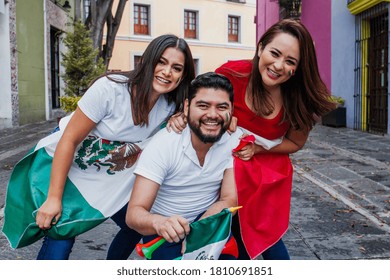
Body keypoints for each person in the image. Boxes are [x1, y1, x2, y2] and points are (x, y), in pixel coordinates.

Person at [167, 19, 336, 260]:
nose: (278, 66)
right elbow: (199, 104)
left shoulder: (298, 98)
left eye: (290, 61)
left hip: (263, 174)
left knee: (262, 240)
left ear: (297, 69)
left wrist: (259, 148)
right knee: (227, 237)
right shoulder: (231, 73)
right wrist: (182, 117)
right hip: (219, 170)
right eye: (274, 53)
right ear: (260, 49)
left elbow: (295, 144)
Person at [33, 34, 196, 259]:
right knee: (61, 232)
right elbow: (69, 140)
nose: (167, 72)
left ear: (182, 76)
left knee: (134, 224)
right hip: (72, 160)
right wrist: (53, 198)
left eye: (177, 68)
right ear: (148, 61)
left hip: (111, 170)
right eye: (161, 62)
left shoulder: (170, 105)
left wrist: (179, 118)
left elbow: (203, 112)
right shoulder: (109, 90)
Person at [126, 72, 241, 260]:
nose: (212, 115)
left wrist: (199, 233)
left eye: (222, 107)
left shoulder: (234, 139)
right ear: (187, 107)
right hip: (165, 232)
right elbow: (134, 214)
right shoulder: (164, 144)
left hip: (210, 223)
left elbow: (229, 199)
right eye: (203, 106)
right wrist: (159, 223)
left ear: (232, 109)